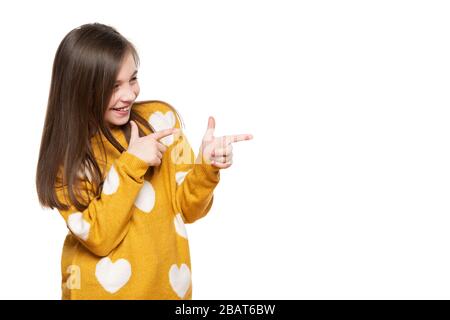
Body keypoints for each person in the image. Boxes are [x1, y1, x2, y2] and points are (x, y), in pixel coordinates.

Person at [35, 22, 253, 299]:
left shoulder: (161, 120)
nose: (129, 94)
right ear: (80, 90)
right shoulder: (68, 157)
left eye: (133, 79)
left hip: (167, 291)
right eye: (113, 86)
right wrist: (132, 163)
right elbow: (98, 238)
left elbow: (188, 210)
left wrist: (205, 168)